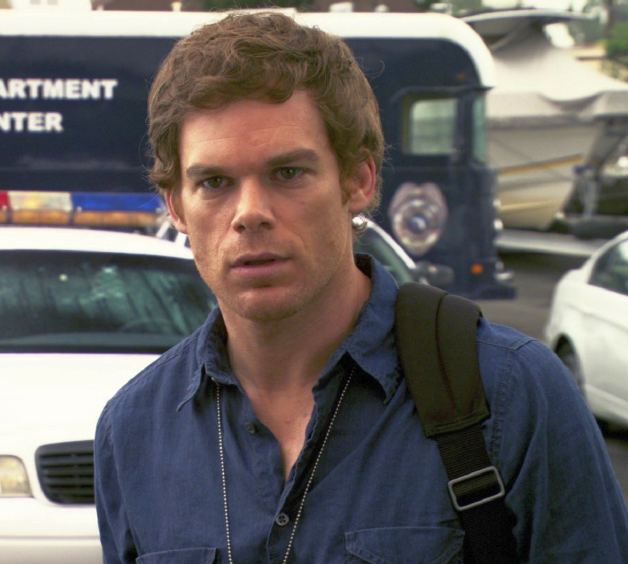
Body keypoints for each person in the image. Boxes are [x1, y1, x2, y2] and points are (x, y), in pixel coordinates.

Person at [94, 11, 628, 564]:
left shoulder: (512, 395)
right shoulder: (132, 430)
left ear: (359, 180)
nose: (250, 212)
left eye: (288, 173)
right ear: (176, 206)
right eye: (214, 182)